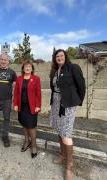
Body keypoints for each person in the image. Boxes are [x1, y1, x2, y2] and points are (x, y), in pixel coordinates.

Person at [49, 49, 85, 180]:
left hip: (68, 105)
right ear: (55, 58)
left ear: (65, 57)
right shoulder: (54, 71)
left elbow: (81, 86)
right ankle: (62, 154)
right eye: (57, 56)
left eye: (61, 55)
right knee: (59, 130)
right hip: (56, 103)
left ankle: (69, 167)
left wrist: (77, 101)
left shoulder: (73, 67)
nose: (59, 58)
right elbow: (53, 89)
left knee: (66, 133)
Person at [13, 60, 41, 158]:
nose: (28, 68)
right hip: (22, 106)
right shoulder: (19, 79)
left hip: (32, 107)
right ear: (23, 69)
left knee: (32, 127)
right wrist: (15, 104)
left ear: (32, 69)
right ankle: (26, 141)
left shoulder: (36, 79)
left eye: (29, 67)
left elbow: (38, 94)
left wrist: (38, 105)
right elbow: (16, 92)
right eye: (26, 67)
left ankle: (33, 145)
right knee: (24, 124)